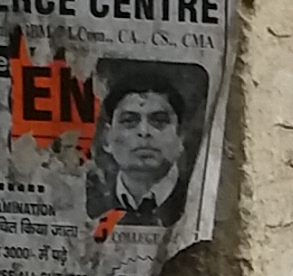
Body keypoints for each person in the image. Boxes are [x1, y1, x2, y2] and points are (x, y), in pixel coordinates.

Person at [82, 62, 206, 225]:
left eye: (159, 121)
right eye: (129, 121)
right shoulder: (90, 205)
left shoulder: (198, 201)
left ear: (180, 136)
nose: (144, 131)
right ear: (106, 138)